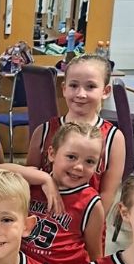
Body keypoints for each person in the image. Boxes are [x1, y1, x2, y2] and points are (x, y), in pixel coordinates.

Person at [21, 122, 106, 264]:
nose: (79, 167)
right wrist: (44, 179)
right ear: (51, 153)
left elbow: (96, 259)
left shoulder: (90, 203)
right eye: (71, 157)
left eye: (90, 161)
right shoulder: (31, 186)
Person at [25, 53, 125, 217]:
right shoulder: (43, 131)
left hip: (83, 227)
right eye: (73, 85)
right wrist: (46, 179)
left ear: (105, 91)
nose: (80, 94)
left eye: (90, 86)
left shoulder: (114, 138)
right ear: (64, 89)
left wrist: (92, 224)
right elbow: (29, 179)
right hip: (44, 223)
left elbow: (108, 193)